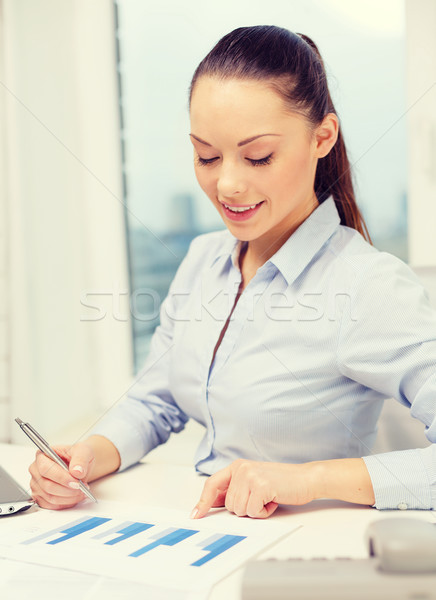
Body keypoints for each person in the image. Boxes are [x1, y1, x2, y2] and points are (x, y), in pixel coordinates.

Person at [29, 25, 436, 518]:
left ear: (322, 138)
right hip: (208, 536)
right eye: (207, 155)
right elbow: (155, 400)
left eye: (258, 156)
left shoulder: (367, 285)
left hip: (302, 559)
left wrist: (308, 479)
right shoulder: (204, 258)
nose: (226, 184)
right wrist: (88, 455)